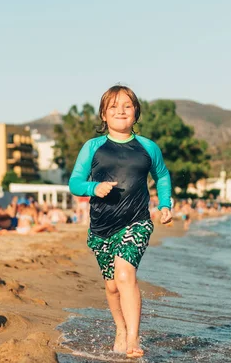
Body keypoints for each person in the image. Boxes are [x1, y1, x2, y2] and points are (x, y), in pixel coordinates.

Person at [69, 85, 172, 359]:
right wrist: (93, 189)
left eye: (127, 106)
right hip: (102, 227)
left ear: (135, 112)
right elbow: (74, 183)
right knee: (112, 285)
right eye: (113, 107)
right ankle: (120, 327)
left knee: (126, 276)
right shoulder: (93, 147)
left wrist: (165, 205)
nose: (120, 111)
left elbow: (162, 176)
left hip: (136, 221)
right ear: (104, 114)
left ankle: (133, 337)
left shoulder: (148, 147)